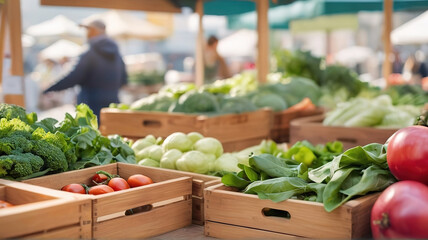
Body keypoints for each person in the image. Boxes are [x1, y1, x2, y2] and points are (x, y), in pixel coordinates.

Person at [43, 19, 127, 119]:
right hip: (112, 103)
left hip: (90, 105)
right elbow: (124, 79)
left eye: (87, 30)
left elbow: (73, 77)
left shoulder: (89, 52)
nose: (86, 34)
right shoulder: (116, 53)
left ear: (92, 31)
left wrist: (50, 88)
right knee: (110, 132)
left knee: (91, 133)